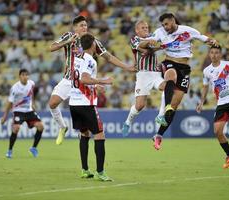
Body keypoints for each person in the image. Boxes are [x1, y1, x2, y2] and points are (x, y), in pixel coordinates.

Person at [49, 15, 135, 145]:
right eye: (81, 25)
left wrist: (127, 67)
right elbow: (51, 47)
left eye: (85, 25)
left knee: (84, 121)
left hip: (83, 82)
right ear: (75, 27)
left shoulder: (92, 41)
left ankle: (86, 140)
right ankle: (62, 127)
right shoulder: (68, 36)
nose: (84, 27)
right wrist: (68, 42)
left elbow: (108, 56)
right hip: (68, 79)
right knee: (52, 104)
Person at [143, 13, 218, 150]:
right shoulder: (160, 32)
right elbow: (149, 42)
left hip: (184, 68)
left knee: (175, 105)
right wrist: (151, 44)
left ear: (172, 21)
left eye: (166, 24)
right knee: (171, 76)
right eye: (163, 25)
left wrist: (211, 41)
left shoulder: (187, 31)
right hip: (169, 62)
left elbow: (203, 38)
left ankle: (159, 135)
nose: (165, 27)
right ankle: (166, 106)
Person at [69, 33, 113, 181]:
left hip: (74, 102)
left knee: (84, 134)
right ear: (93, 44)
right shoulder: (90, 59)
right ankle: (100, 172)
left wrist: (96, 86)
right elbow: (84, 78)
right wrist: (104, 81)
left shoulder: (77, 58)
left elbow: (79, 78)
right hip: (86, 103)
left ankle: (85, 170)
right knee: (99, 134)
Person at [196, 45, 229, 169]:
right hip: (221, 103)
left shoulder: (228, 65)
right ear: (209, 54)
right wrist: (202, 102)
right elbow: (205, 87)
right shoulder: (206, 71)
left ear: (220, 54)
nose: (214, 55)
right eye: (212, 52)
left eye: (217, 53)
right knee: (217, 131)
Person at [122, 20, 166, 137]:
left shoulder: (153, 37)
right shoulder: (134, 39)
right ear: (137, 30)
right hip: (143, 75)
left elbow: (160, 45)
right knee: (140, 106)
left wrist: (153, 46)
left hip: (156, 74)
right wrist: (150, 45)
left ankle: (161, 115)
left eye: (147, 27)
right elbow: (142, 45)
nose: (146, 29)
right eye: (143, 28)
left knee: (168, 87)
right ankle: (128, 122)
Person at [1, 69, 44, 159]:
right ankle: (9, 150)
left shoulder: (31, 83)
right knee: (16, 128)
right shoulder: (15, 88)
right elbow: (9, 102)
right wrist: (5, 116)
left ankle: (33, 148)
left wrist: (32, 103)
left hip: (29, 111)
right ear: (20, 76)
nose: (25, 77)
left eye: (27, 75)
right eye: (23, 75)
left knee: (41, 126)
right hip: (18, 111)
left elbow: (31, 94)